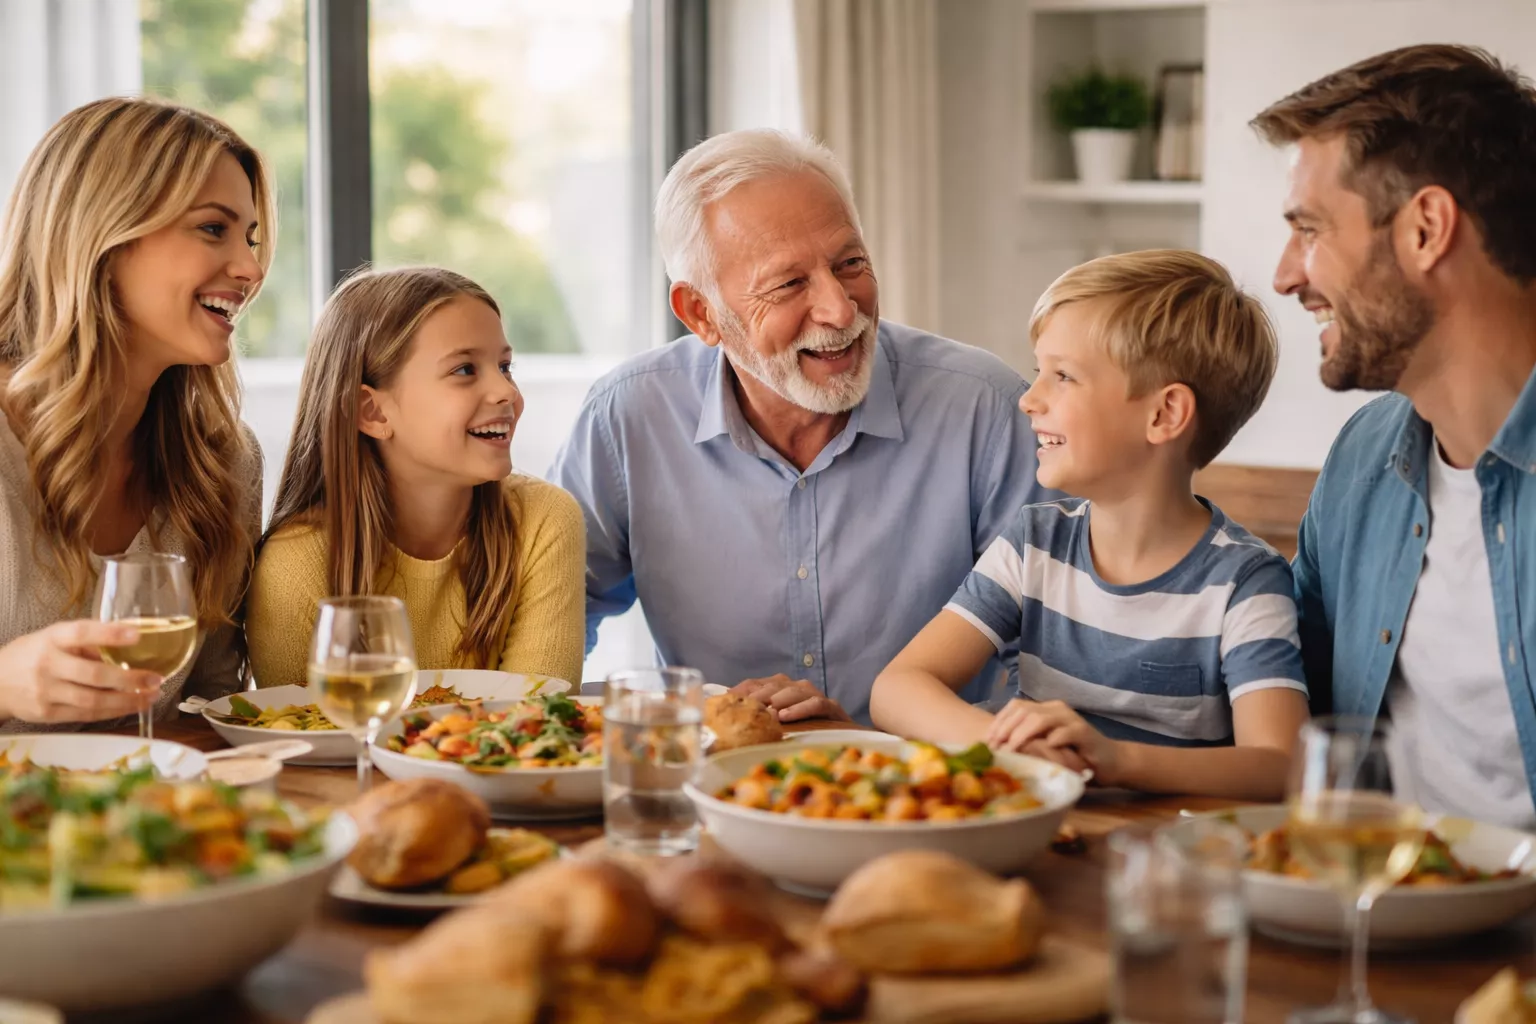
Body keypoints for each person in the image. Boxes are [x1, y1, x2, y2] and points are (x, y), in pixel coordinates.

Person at [548, 129, 1049, 725]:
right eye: (788, 284)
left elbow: (1054, 669)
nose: (841, 310)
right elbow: (548, 622)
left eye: (851, 264)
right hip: (709, 793)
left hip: (933, 794)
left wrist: (878, 751)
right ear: (700, 313)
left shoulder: (985, 409)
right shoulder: (628, 417)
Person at [870, 251, 1309, 800]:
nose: (1029, 400)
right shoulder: (1033, 544)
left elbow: (1281, 767)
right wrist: (1007, 747)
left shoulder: (1245, 584)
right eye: (1038, 373)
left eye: (1063, 376)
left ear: (1164, 415)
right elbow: (896, 689)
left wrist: (1115, 759)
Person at [1254, 44, 1536, 827]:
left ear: (1425, 229)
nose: (1284, 275)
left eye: (1309, 229)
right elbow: (1292, 701)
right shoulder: (1364, 461)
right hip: (1378, 907)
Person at [0, 98, 269, 730]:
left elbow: (209, 704)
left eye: (251, 238)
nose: (252, 269)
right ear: (104, 234)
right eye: (213, 229)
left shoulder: (225, 463)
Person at [246, 266, 586, 688]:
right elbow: (300, 738)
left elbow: (537, 723)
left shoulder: (545, 520)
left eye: (505, 366)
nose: (507, 393)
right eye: (465, 370)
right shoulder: (296, 563)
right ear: (371, 411)